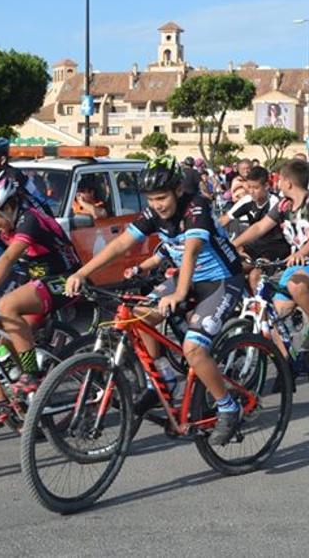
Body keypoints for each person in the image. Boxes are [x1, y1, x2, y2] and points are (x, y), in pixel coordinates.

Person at [66, 156, 247, 444]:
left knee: (194, 349)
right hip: (187, 279)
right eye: (151, 199)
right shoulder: (153, 214)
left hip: (222, 281)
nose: (157, 205)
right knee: (138, 315)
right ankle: (163, 379)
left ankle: (228, 407)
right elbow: (121, 244)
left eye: (162, 197)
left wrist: (178, 293)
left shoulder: (196, 206)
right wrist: (82, 273)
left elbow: (190, 252)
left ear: (177, 190)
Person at [0, 171, 83, 401]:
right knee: (6, 343)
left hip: (65, 279)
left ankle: (32, 375)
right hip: (38, 281)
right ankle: (33, 404)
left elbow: (7, 258)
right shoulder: (5, 222)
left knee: (7, 305)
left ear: (8, 207)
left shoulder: (30, 219)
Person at [234, 158, 309, 352]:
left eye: (279, 179)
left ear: (288, 182)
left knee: (296, 284)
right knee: (276, 313)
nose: (277, 183)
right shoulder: (284, 205)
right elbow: (260, 227)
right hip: (301, 264)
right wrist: (234, 244)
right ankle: (287, 365)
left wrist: (301, 252)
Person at [221, 165, 290, 291]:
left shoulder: (275, 202)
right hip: (254, 246)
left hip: (274, 247)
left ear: (267, 186)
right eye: (249, 187)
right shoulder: (247, 200)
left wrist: (236, 244)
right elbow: (224, 220)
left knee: (255, 277)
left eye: (256, 188)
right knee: (228, 269)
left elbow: (261, 228)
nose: (251, 191)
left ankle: (261, 309)